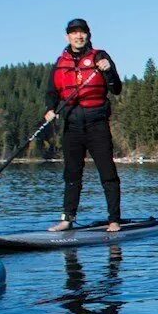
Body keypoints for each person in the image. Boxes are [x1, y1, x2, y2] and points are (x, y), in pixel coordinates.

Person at [45, 18, 125, 233]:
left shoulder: (100, 56)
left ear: (88, 35)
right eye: (74, 33)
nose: (78, 36)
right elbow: (51, 93)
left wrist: (108, 71)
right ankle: (67, 219)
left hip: (96, 122)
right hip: (72, 124)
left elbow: (116, 88)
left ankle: (114, 220)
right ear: (67, 36)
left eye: (82, 32)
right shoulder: (60, 62)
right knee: (72, 174)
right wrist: (50, 109)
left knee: (107, 172)